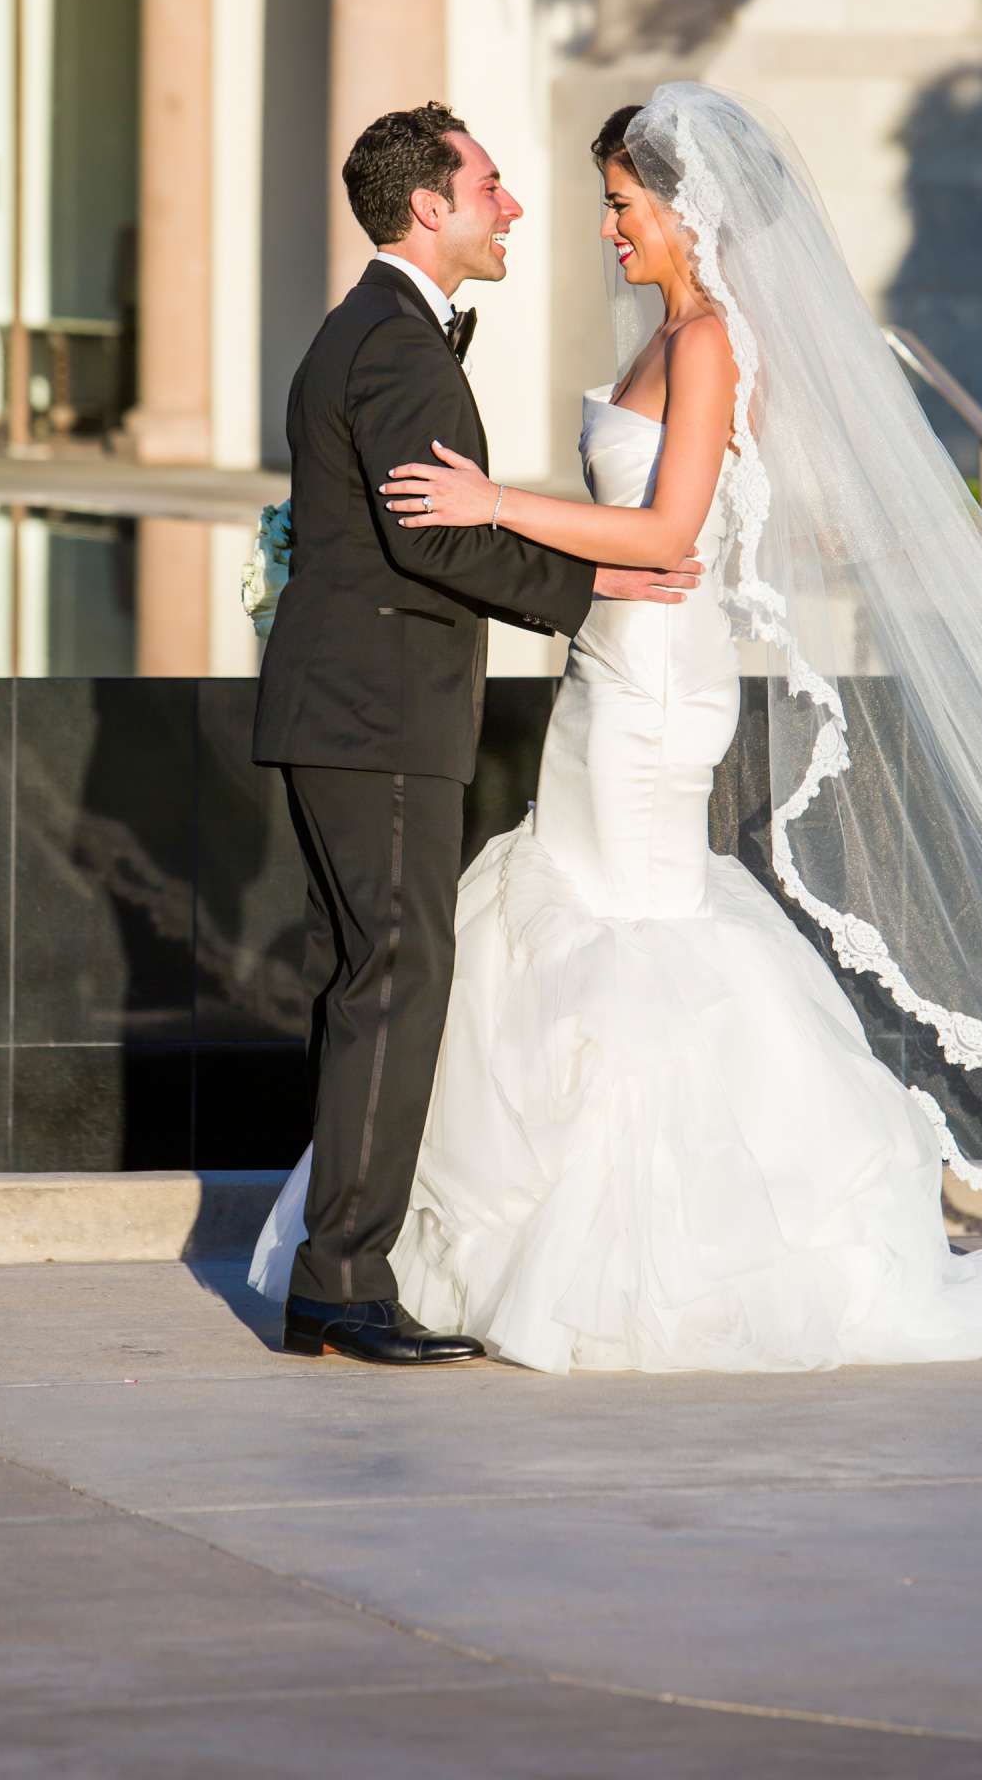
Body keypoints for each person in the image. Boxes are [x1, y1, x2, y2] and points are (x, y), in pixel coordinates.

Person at [252, 83, 982, 1369]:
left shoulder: (706, 343)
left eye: (619, 205)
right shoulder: (607, 336)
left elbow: (667, 538)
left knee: (617, 935)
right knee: (516, 943)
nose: (591, 227)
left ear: (687, 210)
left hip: (651, 673)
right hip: (600, 665)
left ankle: (606, 1261)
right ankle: (409, 1262)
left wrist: (499, 503)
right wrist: (529, 541)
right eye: (572, 201)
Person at [252, 101, 700, 1366]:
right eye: (491, 187)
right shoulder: (394, 346)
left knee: (368, 985)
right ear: (428, 208)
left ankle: (332, 1278)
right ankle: (342, 1280)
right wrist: (595, 587)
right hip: (377, 714)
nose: (512, 209)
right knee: (395, 983)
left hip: (348, 709)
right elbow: (430, 534)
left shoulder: (372, 331)